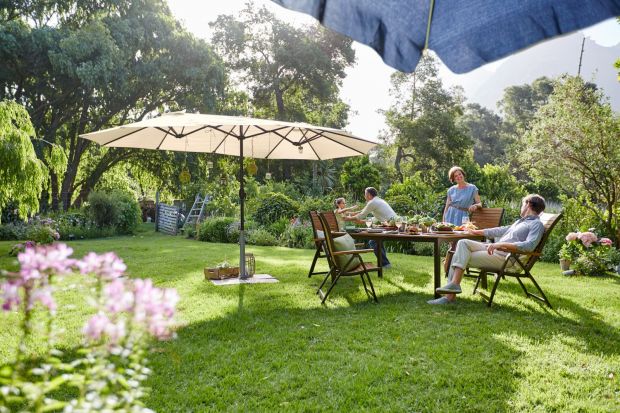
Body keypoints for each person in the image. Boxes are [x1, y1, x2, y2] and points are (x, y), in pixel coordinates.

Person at [429, 194, 546, 305]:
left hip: (506, 258)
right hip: (496, 251)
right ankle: (454, 286)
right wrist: (476, 231)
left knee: (458, 256)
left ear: (528, 204)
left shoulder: (536, 224)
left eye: (522, 204)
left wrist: (499, 245)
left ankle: (449, 296)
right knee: (463, 243)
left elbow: (529, 245)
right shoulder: (521, 222)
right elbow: (500, 230)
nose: (521, 207)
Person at [352, 187, 397, 268]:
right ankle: (384, 263)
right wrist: (361, 220)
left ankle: (385, 264)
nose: (364, 196)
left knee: (373, 241)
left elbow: (362, 215)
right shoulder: (378, 201)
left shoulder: (372, 202)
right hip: (392, 224)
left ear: (369, 195)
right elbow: (375, 218)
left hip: (392, 225)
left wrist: (348, 218)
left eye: (365, 194)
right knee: (376, 240)